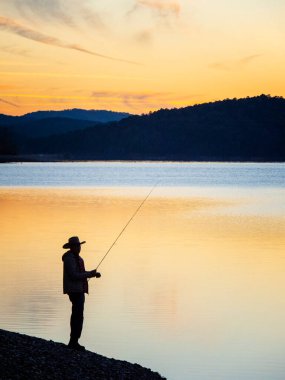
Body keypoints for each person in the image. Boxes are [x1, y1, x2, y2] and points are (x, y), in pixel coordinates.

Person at [62, 236, 101, 351]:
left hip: (79, 290)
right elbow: (74, 275)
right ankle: (73, 342)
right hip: (74, 290)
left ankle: (74, 341)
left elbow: (81, 273)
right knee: (77, 315)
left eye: (79, 246)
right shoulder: (69, 259)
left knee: (78, 315)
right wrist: (89, 274)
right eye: (77, 246)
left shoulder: (78, 259)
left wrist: (92, 274)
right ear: (72, 247)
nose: (79, 248)